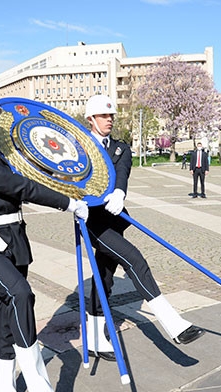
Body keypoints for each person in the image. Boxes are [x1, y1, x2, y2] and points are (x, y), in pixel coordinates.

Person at [0, 90, 87, 392]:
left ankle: (5, 391)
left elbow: (29, 176)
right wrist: (67, 203)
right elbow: (20, 187)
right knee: (20, 294)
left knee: (6, 316)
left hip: (13, 240)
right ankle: (42, 391)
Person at [83, 95, 205, 362]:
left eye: (111, 116)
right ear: (90, 119)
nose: (109, 120)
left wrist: (119, 192)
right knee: (135, 259)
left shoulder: (120, 148)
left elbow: (122, 172)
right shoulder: (79, 147)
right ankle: (174, 324)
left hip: (115, 218)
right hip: (91, 221)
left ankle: (93, 337)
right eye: (103, 116)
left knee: (104, 277)